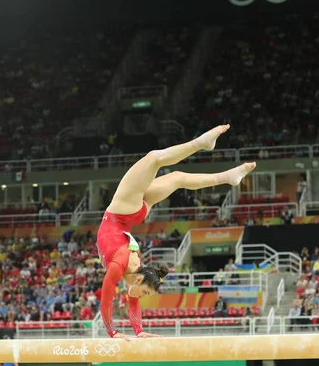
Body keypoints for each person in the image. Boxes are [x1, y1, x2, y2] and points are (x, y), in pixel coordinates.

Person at [97, 125, 256, 340]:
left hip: (122, 213)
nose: (141, 297)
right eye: (146, 293)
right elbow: (132, 302)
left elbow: (106, 298)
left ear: (138, 279)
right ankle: (222, 169)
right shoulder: (131, 273)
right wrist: (139, 330)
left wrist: (113, 333)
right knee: (169, 171)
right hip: (128, 213)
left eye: (144, 293)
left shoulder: (120, 266)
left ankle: (213, 158)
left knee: (161, 164)